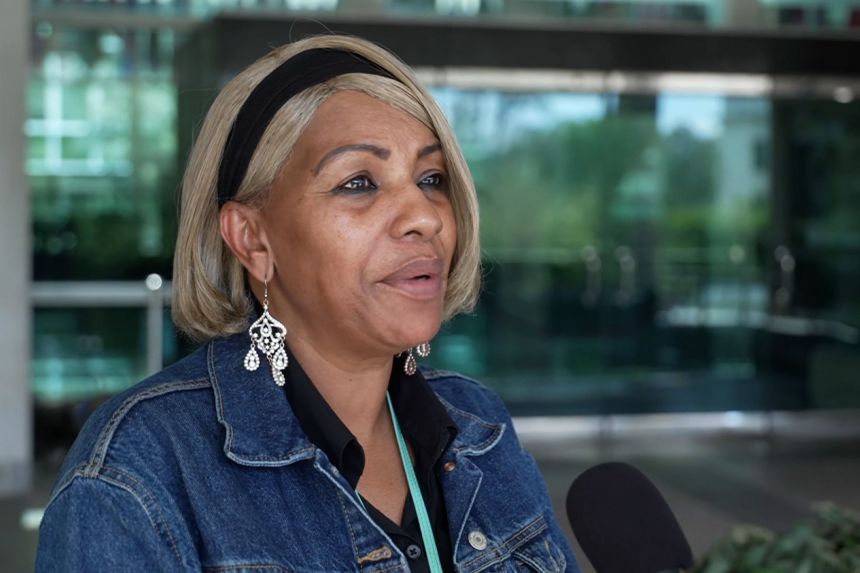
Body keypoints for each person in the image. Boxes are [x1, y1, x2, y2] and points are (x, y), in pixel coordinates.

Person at [35, 34, 580, 572]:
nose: (427, 217)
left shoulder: (478, 423)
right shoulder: (136, 473)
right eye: (360, 182)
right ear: (252, 239)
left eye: (431, 178)